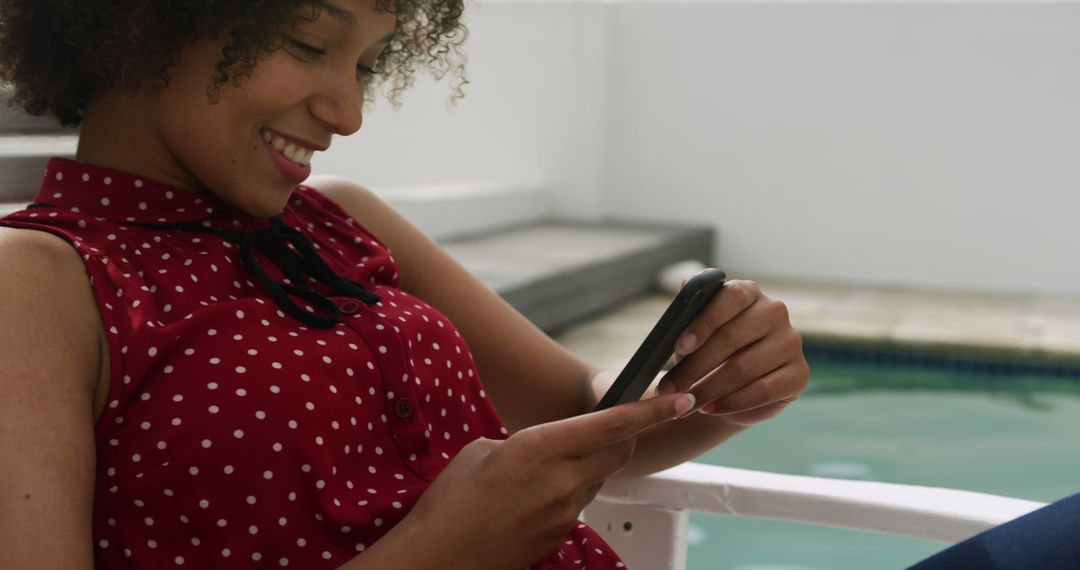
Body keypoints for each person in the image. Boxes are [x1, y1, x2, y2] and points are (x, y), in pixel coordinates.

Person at [0, 0, 812, 568]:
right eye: (311, 44)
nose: (349, 111)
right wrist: (438, 554)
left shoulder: (342, 221)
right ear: (148, 22)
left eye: (367, 63)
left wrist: (726, 384)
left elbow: (583, 415)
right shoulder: (38, 281)